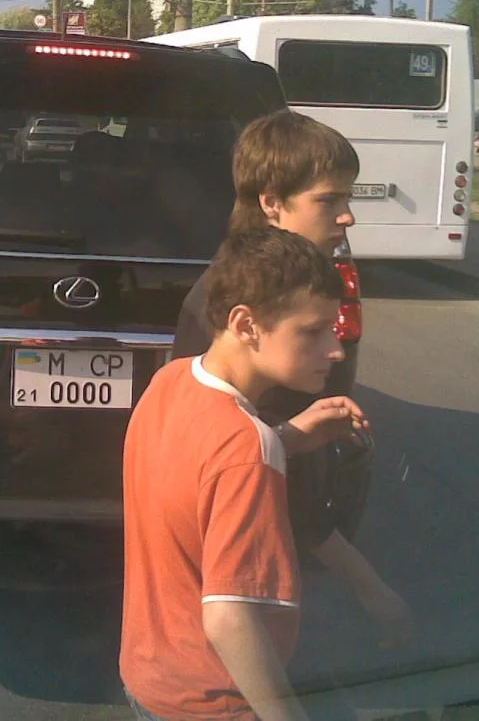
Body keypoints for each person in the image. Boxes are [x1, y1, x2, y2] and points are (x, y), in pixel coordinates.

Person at [173, 110, 413, 648]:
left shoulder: (281, 287)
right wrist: (371, 588)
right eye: (329, 201)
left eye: (348, 198)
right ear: (271, 203)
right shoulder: (253, 313)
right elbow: (254, 474)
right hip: (233, 591)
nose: (347, 216)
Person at [121, 226, 370, 721]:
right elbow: (229, 618)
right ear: (246, 324)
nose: (336, 350)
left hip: (149, 676)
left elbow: (199, 475)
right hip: (213, 702)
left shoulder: (170, 380)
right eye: (313, 331)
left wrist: (286, 437)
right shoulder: (246, 448)